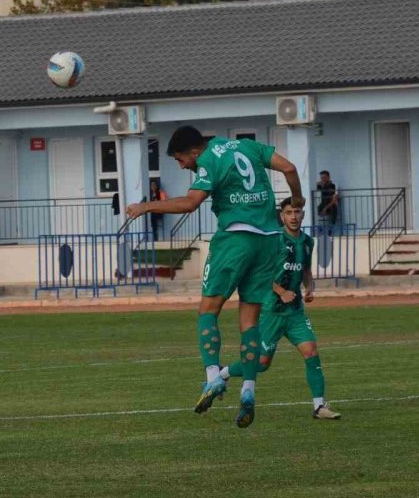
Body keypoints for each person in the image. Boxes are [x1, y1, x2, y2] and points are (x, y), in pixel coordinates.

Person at [126, 126, 302, 428]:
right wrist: (296, 199)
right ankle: (248, 392)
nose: (183, 166)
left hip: (236, 240)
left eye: (181, 160)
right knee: (249, 321)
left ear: (194, 151)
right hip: (269, 241)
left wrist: (145, 206)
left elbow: (190, 203)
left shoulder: (208, 159)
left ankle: (212, 379)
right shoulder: (247, 146)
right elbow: (289, 167)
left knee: (208, 310)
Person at [218, 197, 340, 420]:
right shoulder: (273, 242)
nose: (293, 216)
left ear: (302, 215)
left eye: (297, 212)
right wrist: (281, 291)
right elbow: (260, 275)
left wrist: (309, 288)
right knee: (262, 364)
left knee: (311, 351)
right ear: (282, 216)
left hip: (294, 313)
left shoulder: (307, 242)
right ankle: (223, 373)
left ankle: (319, 406)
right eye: (289, 212)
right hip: (270, 312)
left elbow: (306, 269)